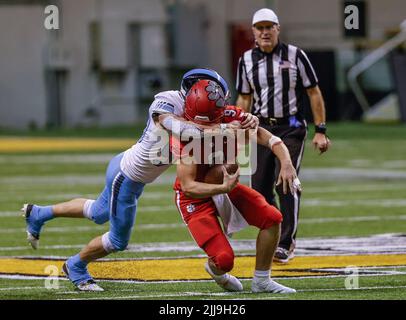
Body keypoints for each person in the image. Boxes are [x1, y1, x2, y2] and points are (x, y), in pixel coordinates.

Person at [22, 68, 259, 291]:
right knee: (117, 240)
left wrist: (249, 119)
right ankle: (75, 265)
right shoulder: (168, 102)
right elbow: (175, 125)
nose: (216, 107)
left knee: (97, 212)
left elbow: (226, 119)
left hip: (127, 166)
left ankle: (38, 214)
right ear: (195, 93)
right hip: (127, 176)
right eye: (212, 100)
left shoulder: (197, 110)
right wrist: (214, 131)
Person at [173, 79, 297, 293]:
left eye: (210, 122)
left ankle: (262, 281)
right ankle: (216, 272)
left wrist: (286, 163)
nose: (205, 128)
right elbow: (188, 186)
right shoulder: (185, 136)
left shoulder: (233, 116)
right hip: (195, 198)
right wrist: (222, 187)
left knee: (272, 218)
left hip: (226, 185)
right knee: (223, 260)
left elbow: (269, 139)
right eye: (201, 124)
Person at [235, 8, 331, 263]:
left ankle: (287, 241)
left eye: (269, 27)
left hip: (290, 128)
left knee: (285, 181)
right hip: (260, 130)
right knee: (259, 189)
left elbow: (314, 92)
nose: (265, 32)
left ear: (278, 28)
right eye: (260, 28)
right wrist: (237, 131)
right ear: (253, 31)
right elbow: (245, 97)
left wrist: (320, 130)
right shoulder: (245, 60)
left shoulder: (295, 55)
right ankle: (275, 229)